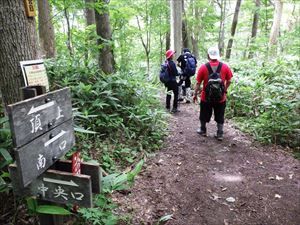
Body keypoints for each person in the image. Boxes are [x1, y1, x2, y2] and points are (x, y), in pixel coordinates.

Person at [193, 46, 233, 141]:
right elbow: (229, 80)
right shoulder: (225, 66)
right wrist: (224, 90)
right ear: (218, 55)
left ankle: (203, 129)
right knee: (220, 114)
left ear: (208, 55)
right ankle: (220, 133)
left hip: (206, 97)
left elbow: (198, 83)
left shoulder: (203, 67)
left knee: (204, 113)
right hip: (221, 97)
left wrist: (195, 94)